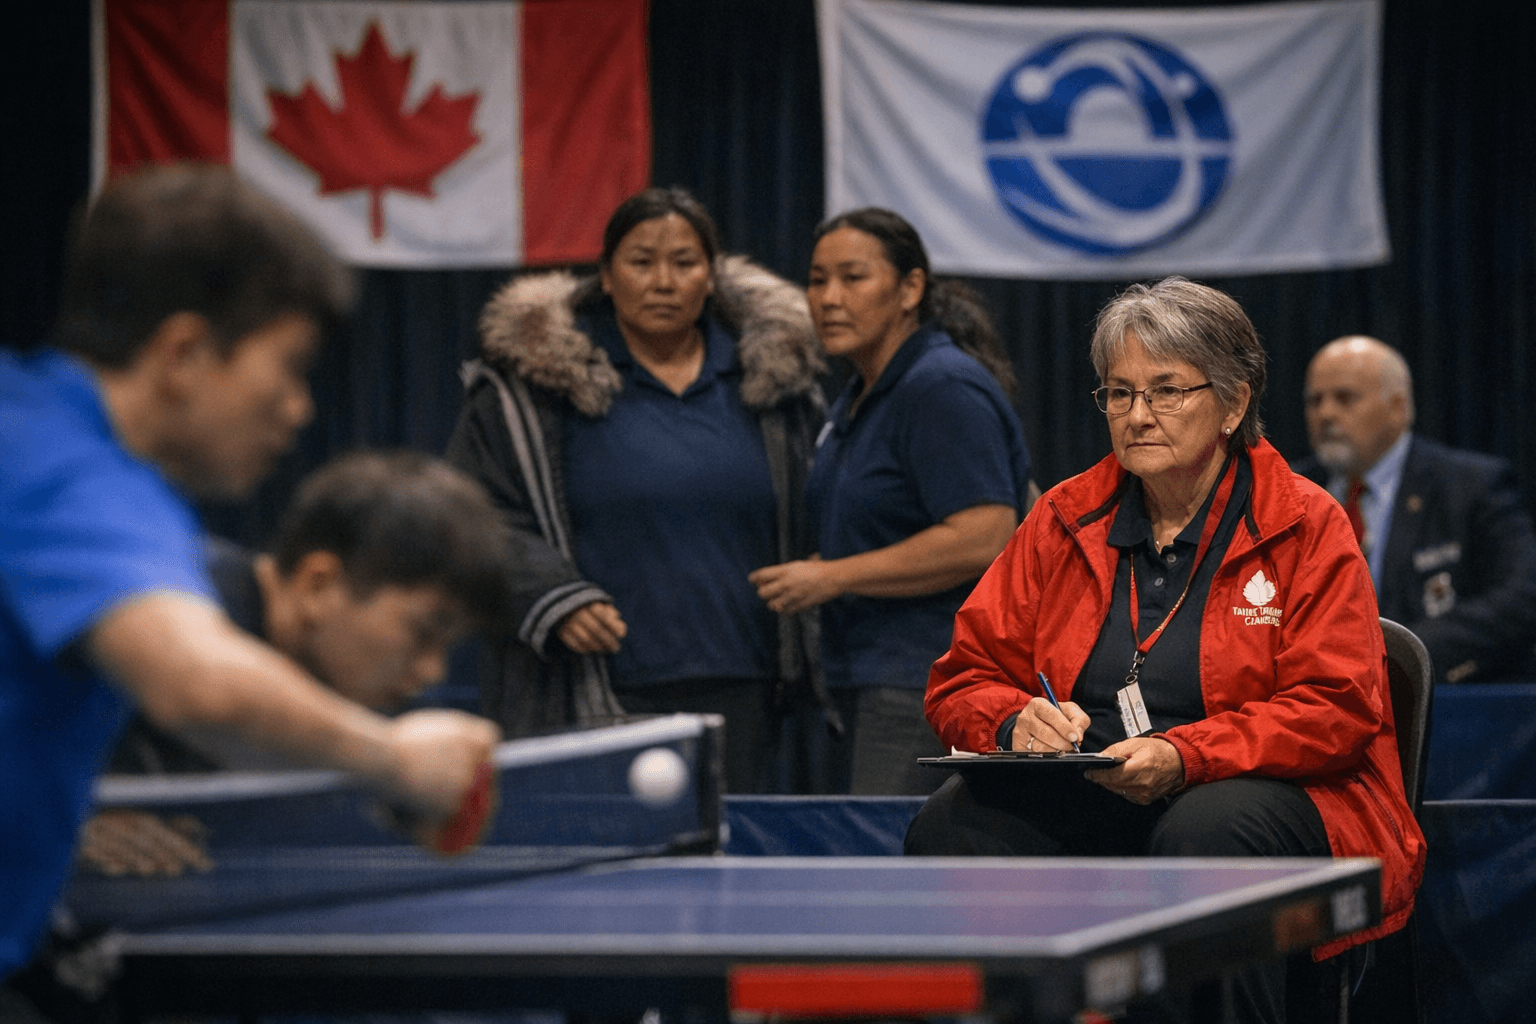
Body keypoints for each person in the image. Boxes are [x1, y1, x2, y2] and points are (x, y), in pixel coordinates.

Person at [0, 165, 500, 983]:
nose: (299, 408)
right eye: (289, 367)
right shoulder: (64, 471)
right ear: (186, 353)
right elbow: (197, 684)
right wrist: (394, 760)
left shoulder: (40, 435)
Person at [904, 278, 1424, 1023]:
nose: (1138, 416)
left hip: (1269, 791)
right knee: (952, 827)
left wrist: (1187, 757)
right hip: (1095, 788)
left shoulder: (1308, 523)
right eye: (1119, 394)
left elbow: (1336, 710)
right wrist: (1012, 721)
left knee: (1206, 832)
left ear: (1234, 404)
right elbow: (963, 677)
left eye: (1166, 391)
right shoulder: (1063, 517)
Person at [446, 186, 826, 793]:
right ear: (606, 276)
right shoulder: (530, 392)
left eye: (684, 262)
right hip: (589, 685)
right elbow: (471, 513)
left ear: (711, 278)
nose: (663, 281)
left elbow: (825, 513)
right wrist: (555, 596)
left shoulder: (778, 388)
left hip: (748, 684)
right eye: (641, 261)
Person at [750, 208, 1032, 795]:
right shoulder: (858, 395)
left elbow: (985, 532)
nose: (829, 298)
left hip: (926, 680)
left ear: (910, 289)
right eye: (817, 279)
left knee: (896, 869)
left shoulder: (940, 386)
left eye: (853, 278)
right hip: (864, 677)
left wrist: (832, 577)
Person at [1297, 335, 1536, 683]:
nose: (1325, 413)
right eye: (1314, 401)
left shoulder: (1470, 487)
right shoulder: (1289, 489)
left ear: (1397, 408)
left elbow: (1523, 594)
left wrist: (1399, 654)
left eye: (1344, 398)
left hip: (1447, 702)